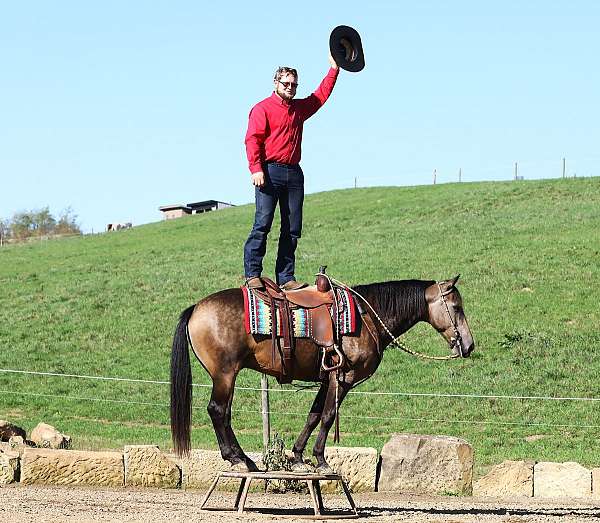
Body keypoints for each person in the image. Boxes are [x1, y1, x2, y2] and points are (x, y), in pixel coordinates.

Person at [243, 54, 339, 291]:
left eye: (294, 84)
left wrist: (334, 70)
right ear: (275, 83)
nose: (290, 88)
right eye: (286, 83)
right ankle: (253, 273)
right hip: (269, 171)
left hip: (294, 173)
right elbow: (252, 140)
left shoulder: (298, 109)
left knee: (292, 227)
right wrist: (256, 168)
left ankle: (286, 278)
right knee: (263, 222)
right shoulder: (262, 109)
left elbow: (320, 97)